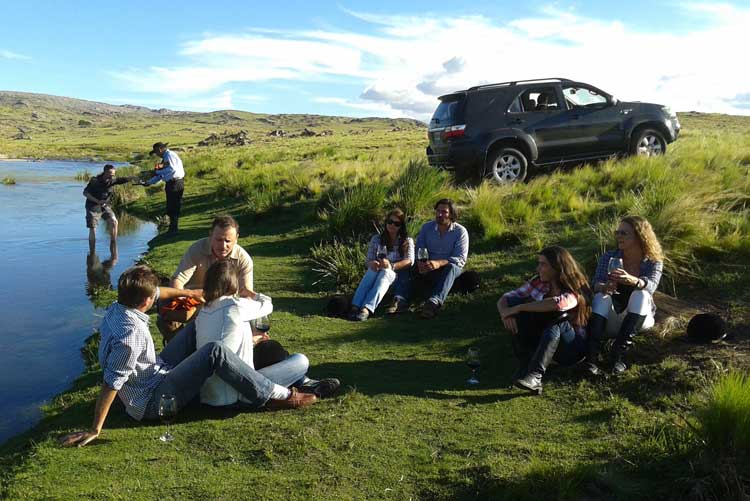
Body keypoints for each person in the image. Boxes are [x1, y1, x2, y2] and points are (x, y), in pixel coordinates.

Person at [59, 265, 317, 448]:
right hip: (153, 400)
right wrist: (95, 429)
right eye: (154, 296)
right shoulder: (131, 335)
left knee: (196, 325)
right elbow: (111, 382)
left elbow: (158, 291)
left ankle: (223, 368)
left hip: (155, 372)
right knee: (214, 350)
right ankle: (275, 395)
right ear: (147, 301)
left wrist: (191, 294)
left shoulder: (119, 306)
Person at [196, 261, 340, 404]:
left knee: (269, 349)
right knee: (301, 360)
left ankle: (303, 383)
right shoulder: (234, 305)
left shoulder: (203, 312)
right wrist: (252, 294)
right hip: (241, 390)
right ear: (232, 282)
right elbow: (267, 305)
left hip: (211, 394)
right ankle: (302, 385)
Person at [497, 246, 591, 394]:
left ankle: (535, 375)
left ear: (557, 267)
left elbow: (558, 303)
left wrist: (519, 308)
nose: (538, 268)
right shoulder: (539, 282)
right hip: (546, 342)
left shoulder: (574, 288)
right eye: (539, 263)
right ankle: (526, 365)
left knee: (557, 318)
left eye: (543, 264)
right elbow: (506, 298)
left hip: (572, 348)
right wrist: (506, 314)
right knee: (520, 311)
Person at [585, 216, 664, 376]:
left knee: (640, 294)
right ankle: (591, 359)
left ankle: (618, 355)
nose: (618, 236)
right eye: (617, 232)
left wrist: (633, 281)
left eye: (624, 233)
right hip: (611, 317)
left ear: (640, 236)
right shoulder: (609, 257)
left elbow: (651, 286)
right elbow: (595, 284)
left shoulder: (653, 261)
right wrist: (604, 286)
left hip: (638, 319)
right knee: (601, 297)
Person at [158, 215, 253, 341]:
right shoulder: (197, 249)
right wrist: (181, 298)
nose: (223, 246)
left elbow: (246, 294)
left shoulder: (243, 260)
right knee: (165, 308)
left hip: (224, 304)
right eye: (218, 240)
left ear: (236, 239)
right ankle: (178, 347)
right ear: (210, 236)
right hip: (194, 299)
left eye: (228, 241)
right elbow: (179, 279)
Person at [385, 199, 469, 319]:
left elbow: (459, 259)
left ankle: (433, 303)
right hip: (427, 266)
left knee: (452, 267)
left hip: (446, 269)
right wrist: (420, 263)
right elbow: (420, 249)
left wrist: (438, 263)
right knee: (407, 264)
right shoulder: (427, 228)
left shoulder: (460, 232)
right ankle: (399, 299)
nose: (440, 214)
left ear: (451, 214)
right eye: (438, 211)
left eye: (444, 212)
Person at [349, 209, 414, 321]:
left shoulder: (407, 241)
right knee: (372, 271)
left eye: (396, 223)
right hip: (378, 271)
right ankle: (355, 306)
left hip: (395, 275)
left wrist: (391, 266)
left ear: (401, 226)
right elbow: (369, 259)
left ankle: (367, 308)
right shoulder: (377, 239)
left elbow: (410, 260)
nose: (392, 225)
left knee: (386, 272)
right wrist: (372, 263)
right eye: (390, 222)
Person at [83, 164, 137, 254]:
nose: (113, 176)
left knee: (114, 221)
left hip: (104, 205)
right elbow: (85, 193)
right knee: (93, 227)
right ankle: (92, 252)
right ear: (105, 172)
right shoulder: (94, 181)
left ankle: (113, 245)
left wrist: (132, 177)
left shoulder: (111, 181)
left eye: (114, 174)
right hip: (93, 206)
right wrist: (97, 201)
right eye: (111, 174)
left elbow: (121, 180)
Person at [142, 142, 185, 234]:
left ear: (160, 150)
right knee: (171, 206)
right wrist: (149, 182)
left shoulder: (169, 155)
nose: (156, 154)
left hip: (175, 183)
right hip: (171, 183)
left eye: (156, 152)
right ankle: (172, 229)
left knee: (174, 206)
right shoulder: (165, 158)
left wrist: (156, 172)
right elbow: (161, 174)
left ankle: (174, 230)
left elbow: (172, 170)